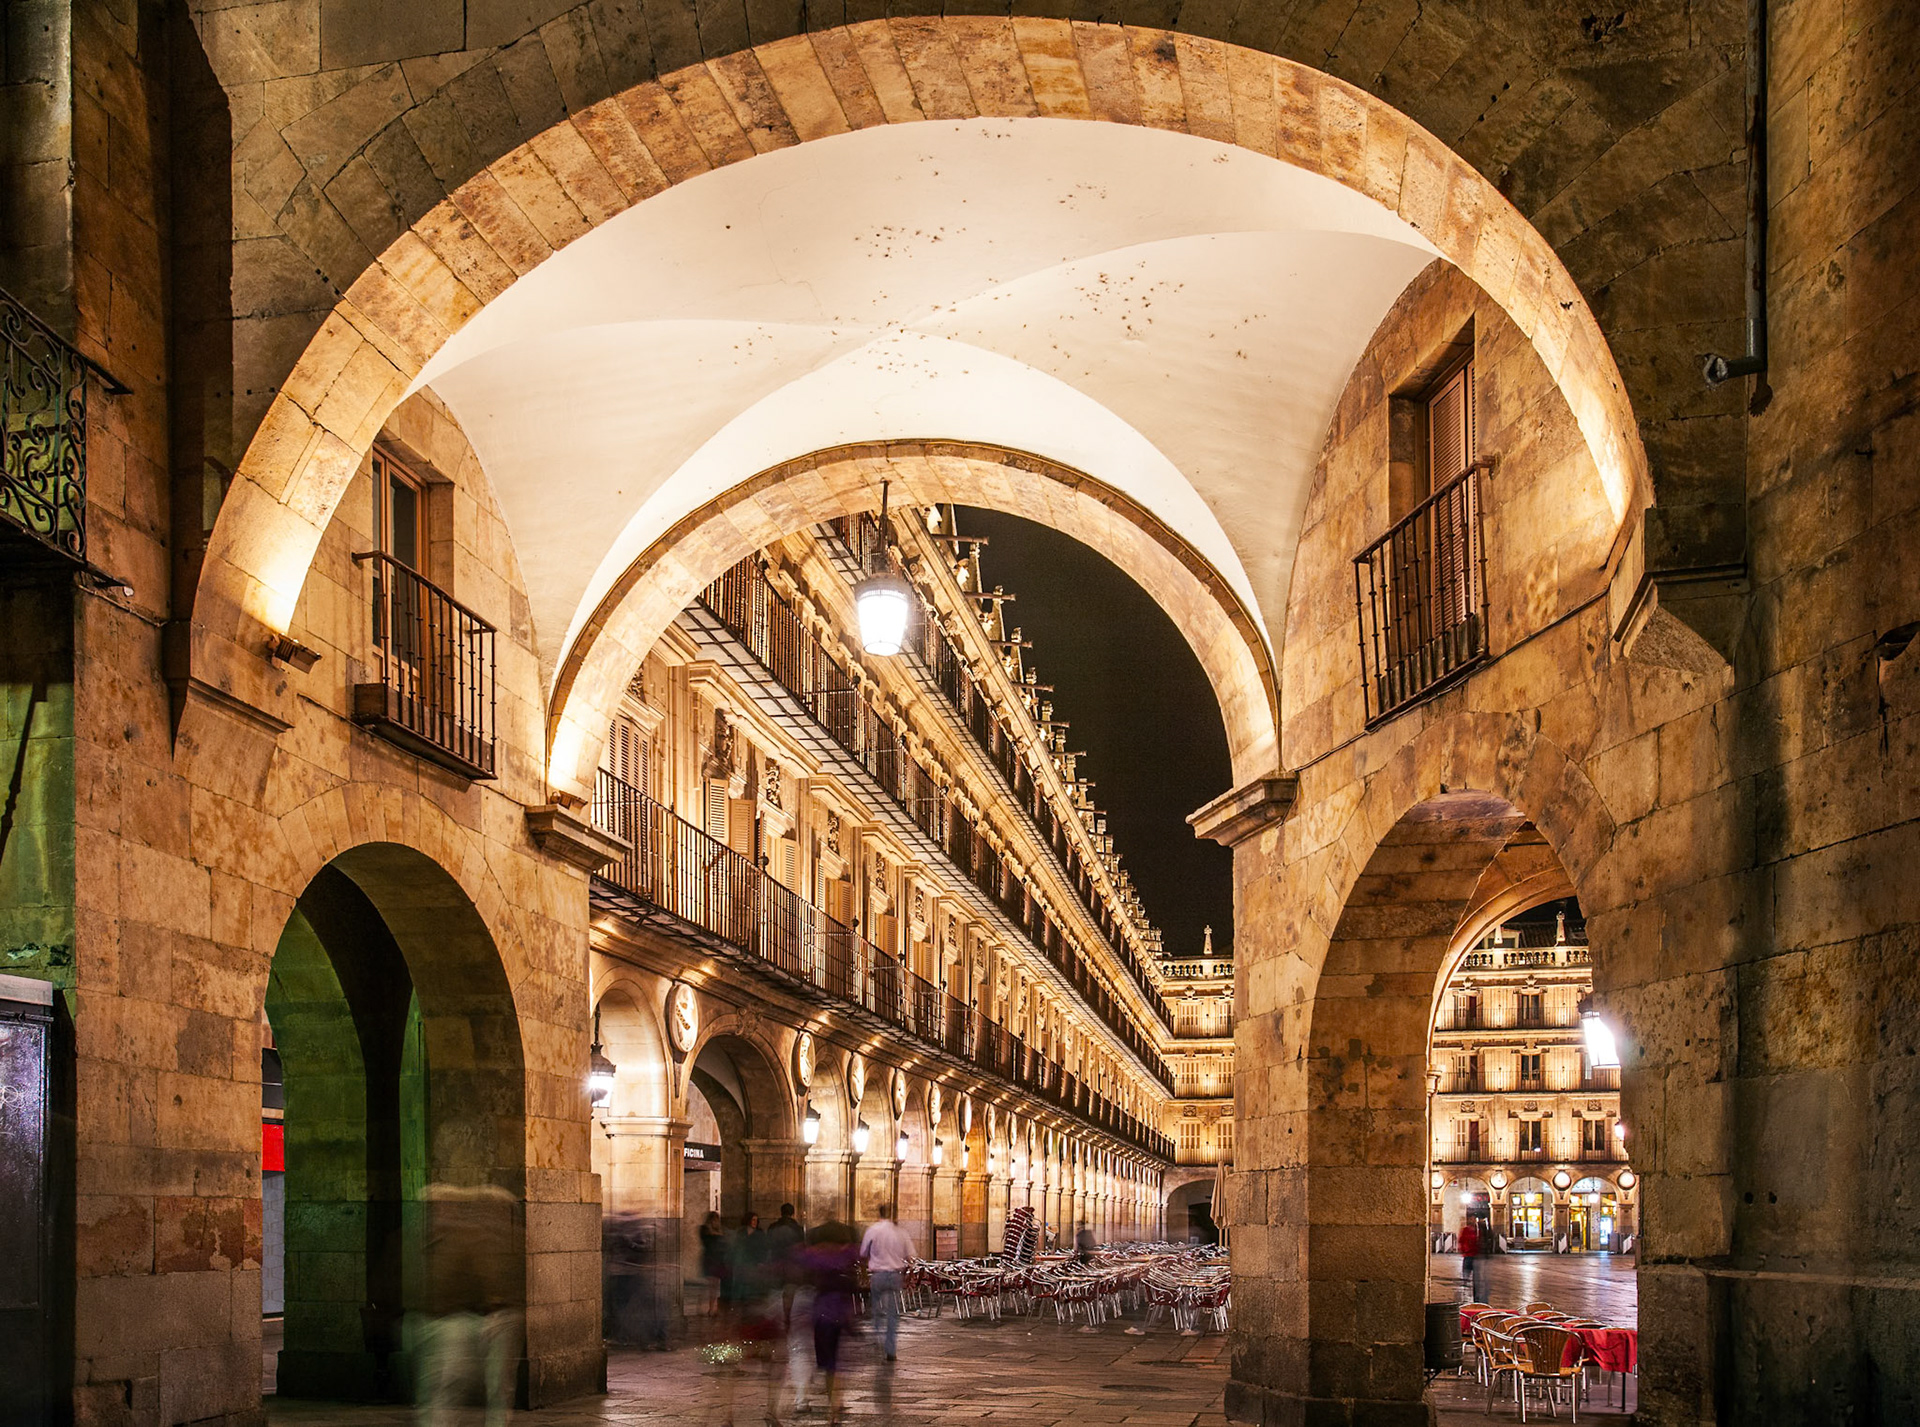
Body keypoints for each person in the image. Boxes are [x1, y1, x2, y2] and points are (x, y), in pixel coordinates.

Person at [415, 1184, 522, 1427]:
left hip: (493, 1318)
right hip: (459, 1319)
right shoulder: (462, 1238)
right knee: (447, 1386)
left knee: (492, 1388)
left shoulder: (486, 1239)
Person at [798, 1222, 861, 1425]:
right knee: (837, 1362)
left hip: (822, 1314)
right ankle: (836, 1407)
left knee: (827, 1364)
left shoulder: (815, 1255)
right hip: (841, 1314)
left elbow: (799, 1261)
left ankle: (832, 1407)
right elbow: (860, 1253)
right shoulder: (846, 1254)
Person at [858, 1208, 915, 1363]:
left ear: (879, 1214)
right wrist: (908, 1277)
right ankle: (890, 1349)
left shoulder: (872, 1230)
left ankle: (878, 1338)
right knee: (892, 1314)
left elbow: (863, 1254)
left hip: (878, 1275)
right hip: (895, 1274)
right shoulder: (901, 1232)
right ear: (893, 1215)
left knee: (876, 1310)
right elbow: (911, 1258)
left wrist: (864, 1274)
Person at [765, 1203, 805, 1325]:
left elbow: (768, 1245)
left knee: (776, 1289)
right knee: (789, 1289)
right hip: (791, 1263)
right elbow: (801, 1247)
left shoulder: (772, 1227)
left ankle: (775, 1315)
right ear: (793, 1213)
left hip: (776, 1261)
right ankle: (787, 1314)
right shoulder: (797, 1228)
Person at [699, 1210, 727, 1319]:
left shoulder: (718, 1230)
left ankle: (712, 1308)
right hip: (710, 1259)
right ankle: (707, 1307)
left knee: (715, 1286)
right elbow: (706, 1241)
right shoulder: (704, 1229)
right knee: (710, 1285)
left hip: (718, 1259)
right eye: (714, 1219)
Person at [1458, 1214, 1486, 1303]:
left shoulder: (1478, 1231)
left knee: (1476, 1279)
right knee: (1465, 1277)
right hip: (1468, 1256)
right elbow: (1461, 1240)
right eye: (1471, 1219)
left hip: (1476, 1256)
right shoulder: (1465, 1230)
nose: (1473, 1220)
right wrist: (1464, 1250)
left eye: (1474, 1219)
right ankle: (1463, 1296)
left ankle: (1476, 1298)